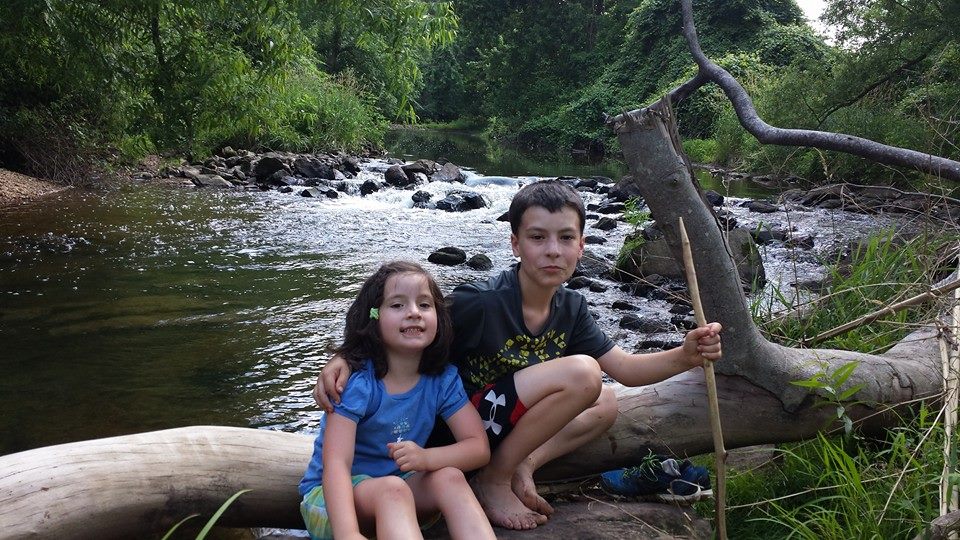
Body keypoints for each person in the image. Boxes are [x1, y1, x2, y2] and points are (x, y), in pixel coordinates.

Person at [315, 180, 722, 530]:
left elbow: (627, 370)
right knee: (584, 373)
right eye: (537, 237)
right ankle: (493, 479)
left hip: (506, 425)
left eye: (565, 238)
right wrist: (345, 359)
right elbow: (407, 328)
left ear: (582, 246)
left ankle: (521, 467)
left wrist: (685, 355)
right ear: (515, 244)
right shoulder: (483, 302)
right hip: (457, 433)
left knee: (606, 400)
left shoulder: (572, 309)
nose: (552, 251)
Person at [299, 261, 495, 540]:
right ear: (373, 317)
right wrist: (348, 534)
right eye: (397, 305)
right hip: (333, 502)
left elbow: (478, 448)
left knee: (449, 477)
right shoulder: (357, 383)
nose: (414, 313)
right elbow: (336, 465)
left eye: (424, 305)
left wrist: (427, 458)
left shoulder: (442, 379)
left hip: (400, 491)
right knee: (392, 489)